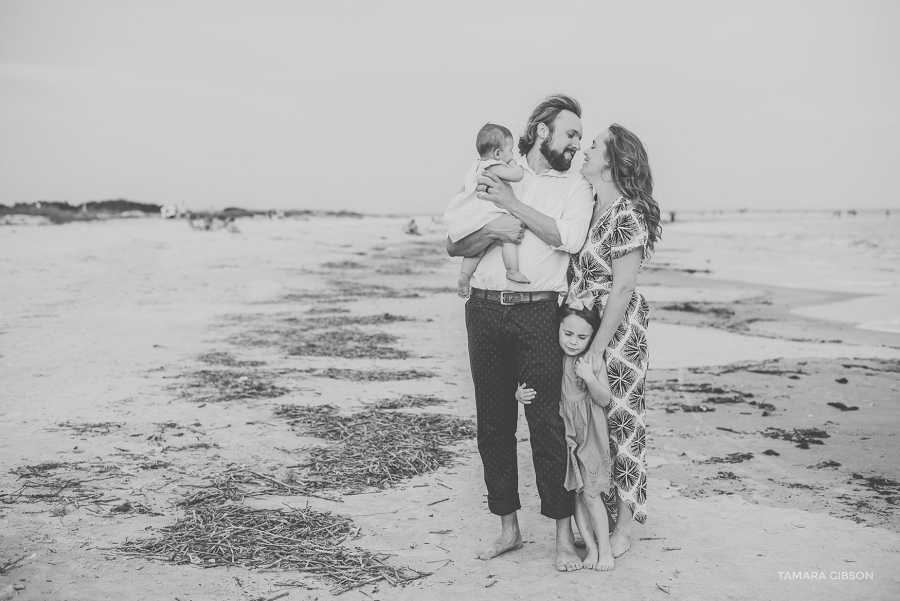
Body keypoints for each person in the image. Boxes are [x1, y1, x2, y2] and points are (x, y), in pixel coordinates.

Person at [446, 94, 594, 572]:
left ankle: (562, 535)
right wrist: (496, 230)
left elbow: (567, 238)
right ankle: (508, 528)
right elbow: (455, 243)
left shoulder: (574, 188)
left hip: (538, 314)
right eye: (570, 133)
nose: (577, 142)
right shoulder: (494, 168)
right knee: (493, 422)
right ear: (542, 130)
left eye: (580, 136)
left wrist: (511, 208)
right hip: (484, 311)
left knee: (546, 424)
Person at [570, 123, 662, 558]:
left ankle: (624, 526)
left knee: (623, 420)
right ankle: (599, 514)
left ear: (612, 159)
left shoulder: (628, 212)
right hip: (587, 325)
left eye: (594, 145)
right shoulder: (590, 207)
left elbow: (623, 287)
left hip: (618, 331)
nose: (586, 148)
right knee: (591, 425)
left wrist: (598, 347)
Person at [516, 293, 615, 570]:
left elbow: (605, 399)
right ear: (557, 327)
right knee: (577, 494)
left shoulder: (591, 362)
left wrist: (590, 377)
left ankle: (605, 550)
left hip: (591, 435)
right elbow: (531, 383)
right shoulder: (552, 358)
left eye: (582, 337)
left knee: (592, 493)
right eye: (568, 333)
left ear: (592, 337)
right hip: (566, 434)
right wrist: (519, 393)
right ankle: (591, 549)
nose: (573, 341)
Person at [445, 123, 527, 298]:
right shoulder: (493, 165)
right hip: (490, 212)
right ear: (498, 154)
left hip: (476, 216)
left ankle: (464, 275)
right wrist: (514, 165)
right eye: (510, 150)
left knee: (477, 250)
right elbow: (518, 176)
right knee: (508, 239)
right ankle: (512, 269)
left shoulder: (474, 167)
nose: (513, 154)